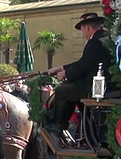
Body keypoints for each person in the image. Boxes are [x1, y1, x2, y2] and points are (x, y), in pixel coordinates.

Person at [43, 12, 114, 141]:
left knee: (61, 91)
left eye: (82, 29)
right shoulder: (105, 39)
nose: (83, 33)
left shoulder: (95, 42)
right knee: (72, 92)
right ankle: (83, 132)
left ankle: (57, 126)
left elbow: (84, 65)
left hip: (95, 86)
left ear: (87, 27)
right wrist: (62, 68)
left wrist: (65, 74)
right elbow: (84, 62)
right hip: (102, 83)